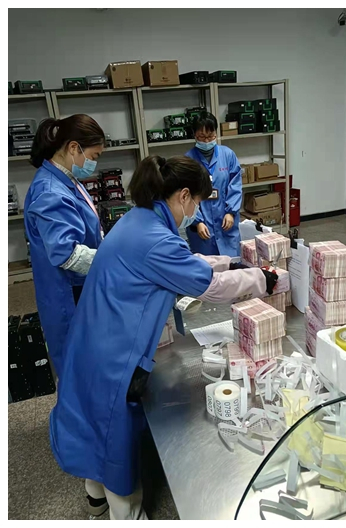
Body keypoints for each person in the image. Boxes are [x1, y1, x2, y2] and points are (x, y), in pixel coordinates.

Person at [49, 155, 277, 520]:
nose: (196, 211)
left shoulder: (140, 220)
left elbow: (184, 263)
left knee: (93, 427)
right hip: (113, 355)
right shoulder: (155, 238)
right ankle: (126, 514)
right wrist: (261, 279)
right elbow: (209, 287)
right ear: (184, 195)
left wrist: (230, 262)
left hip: (92, 339)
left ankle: (96, 497)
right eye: (197, 202)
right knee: (113, 437)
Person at [24, 114, 105, 379]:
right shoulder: (50, 190)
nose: (94, 163)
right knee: (78, 370)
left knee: (91, 363)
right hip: (67, 295)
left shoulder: (68, 180)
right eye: (93, 156)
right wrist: (113, 261)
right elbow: (67, 254)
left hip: (81, 287)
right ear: (73, 148)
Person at [185, 111, 242, 257]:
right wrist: (197, 221)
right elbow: (186, 196)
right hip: (202, 228)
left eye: (210, 136)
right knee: (206, 265)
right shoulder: (188, 161)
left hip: (226, 223)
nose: (206, 141)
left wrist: (230, 212)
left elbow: (235, 185)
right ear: (194, 135)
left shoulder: (228, 155)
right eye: (202, 137)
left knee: (231, 264)